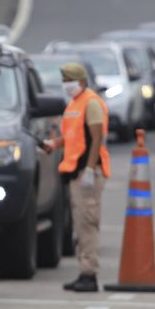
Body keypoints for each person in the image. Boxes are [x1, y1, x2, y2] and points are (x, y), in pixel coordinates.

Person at [43, 62, 110, 293]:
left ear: (81, 81)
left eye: (69, 80)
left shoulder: (91, 103)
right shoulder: (74, 103)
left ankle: (89, 274)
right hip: (76, 172)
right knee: (80, 224)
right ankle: (84, 271)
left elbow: (96, 137)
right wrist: (55, 143)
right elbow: (73, 136)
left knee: (87, 223)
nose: (66, 85)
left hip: (87, 173)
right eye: (63, 81)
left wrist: (90, 169)